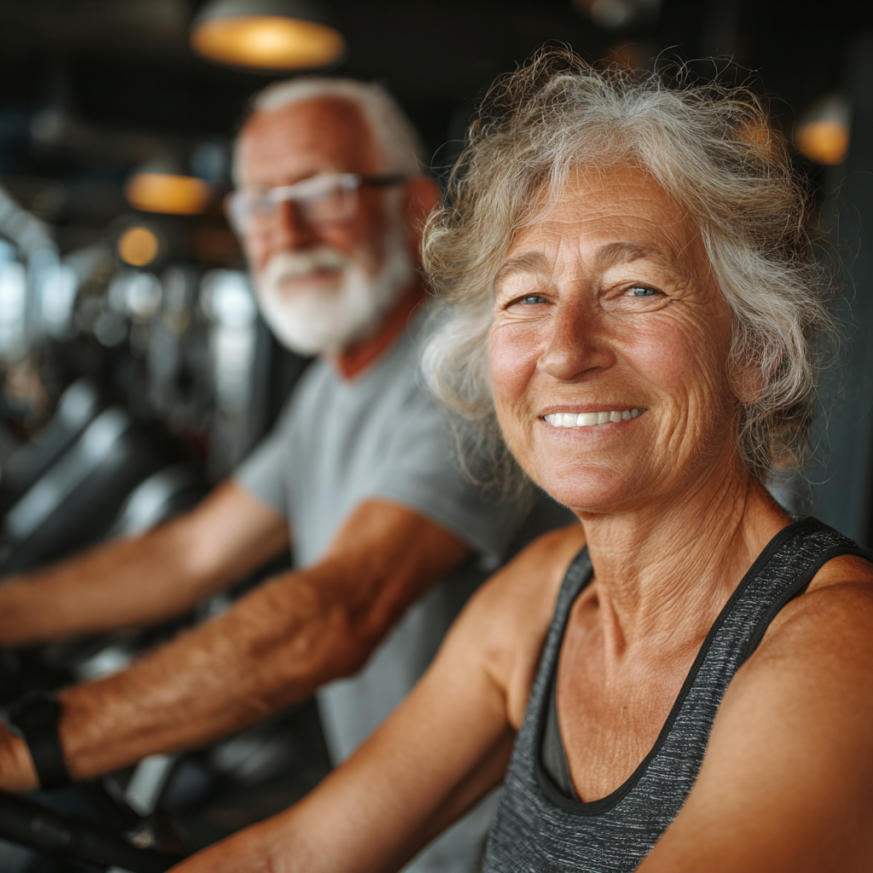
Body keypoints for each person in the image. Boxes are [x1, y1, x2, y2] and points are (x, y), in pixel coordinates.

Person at [166, 53, 873, 873]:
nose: (565, 349)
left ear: (752, 348)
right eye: (528, 297)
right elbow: (289, 855)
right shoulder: (541, 597)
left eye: (636, 288)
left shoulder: (836, 649)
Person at [0, 79, 556, 872]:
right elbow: (188, 553)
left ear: (414, 206)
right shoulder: (333, 384)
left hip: (497, 852)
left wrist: (35, 746)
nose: (285, 230)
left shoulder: (465, 370)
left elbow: (343, 606)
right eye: (258, 203)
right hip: (391, 837)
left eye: (321, 191)